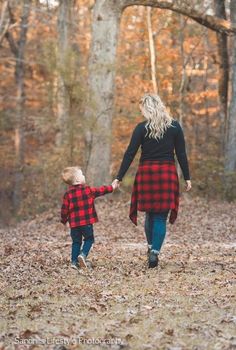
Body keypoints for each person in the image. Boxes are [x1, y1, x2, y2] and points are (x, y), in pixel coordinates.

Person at [113, 93, 191, 268]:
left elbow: (130, 153)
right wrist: (187, 177)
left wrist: (119, 177)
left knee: (149, 213)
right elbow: (181, 154)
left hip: (147, 173)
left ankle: (150, 248)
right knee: (160, 216)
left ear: (147, 108)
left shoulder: (141, 128)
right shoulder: (175, 127)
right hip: (167, 173)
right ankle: (155, 252)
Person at [61, 166, 119, 270]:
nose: (84, 176)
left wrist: (64, 221)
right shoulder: (88, 190)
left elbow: (64, 210)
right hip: (86, 223)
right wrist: (112, 187)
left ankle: (74, 262)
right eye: (82, 174)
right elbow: (101, 190)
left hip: (74, 225)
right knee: (89, 239)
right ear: (78, 179)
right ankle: (83, 255)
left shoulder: (67, 194)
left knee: (76, 242)